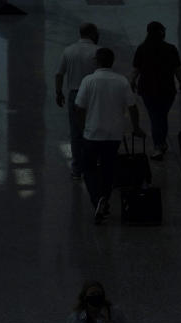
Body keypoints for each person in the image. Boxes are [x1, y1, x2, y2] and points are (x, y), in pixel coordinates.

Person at [73, 48, 145, 224]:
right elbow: (132, 107)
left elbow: (79, 107)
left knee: (88, 168)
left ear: (97, 61)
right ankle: (104, 198)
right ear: (112, 62)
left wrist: (82, 128)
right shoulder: (121, 81)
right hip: (113, 134)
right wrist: (136, 127)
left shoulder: (88, 81)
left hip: (92, 133)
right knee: (108, 168)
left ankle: (97, 199)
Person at [130, 21, 181, 160]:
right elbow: (177, 69)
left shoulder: (142, 48)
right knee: (162, 116)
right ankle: (161, 143)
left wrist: (132, 82)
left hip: (148, 89)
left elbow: (136, 69)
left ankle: (158, 146)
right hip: (167, 89)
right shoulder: (170, 49)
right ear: (162, 33)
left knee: (155, 117)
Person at [55, 23, 99, 179]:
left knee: (76, 133)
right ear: (92, 33)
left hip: (75, 94)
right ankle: (93, 164)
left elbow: (59, 74)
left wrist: (58, 92)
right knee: (94, 129)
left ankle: (77, 169)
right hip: (93, 95)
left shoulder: (69, 50)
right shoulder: (97, 51)